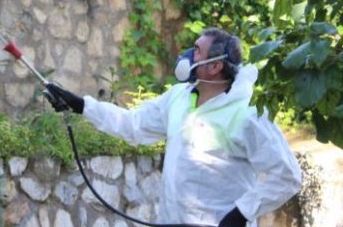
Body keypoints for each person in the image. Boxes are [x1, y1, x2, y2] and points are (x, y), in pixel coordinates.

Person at [45, 27, 302, 227]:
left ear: (215, 66)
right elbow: (133, 124)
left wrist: (241, 213)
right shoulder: (179, 97)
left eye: (197, 50)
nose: (188, 56)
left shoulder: (248, 113)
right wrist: (81, 105)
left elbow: (287, 175)